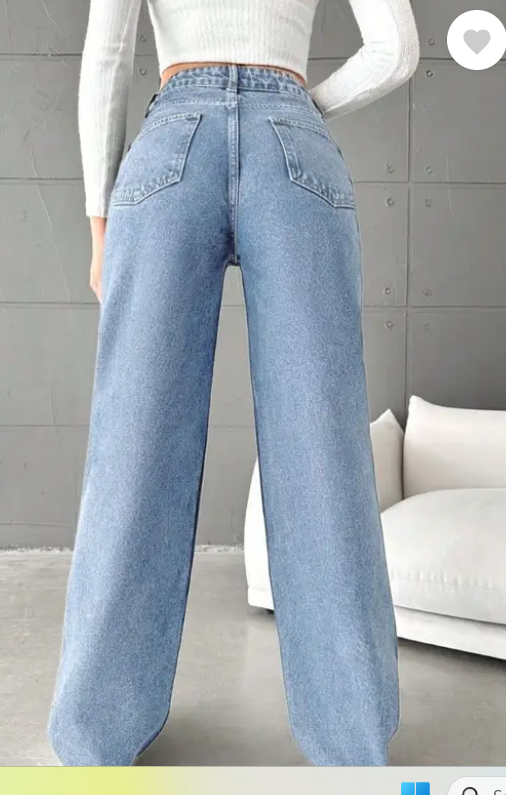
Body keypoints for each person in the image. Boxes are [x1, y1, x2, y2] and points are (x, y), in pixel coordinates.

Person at [47, 0, 419, 767]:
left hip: (173, 143)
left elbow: (107, 57)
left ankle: (94, 738)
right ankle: (351, 744)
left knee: (133, 449)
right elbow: (397, 50)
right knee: (323, 451)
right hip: (295, 146)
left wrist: (97, 222)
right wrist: (300, 109)